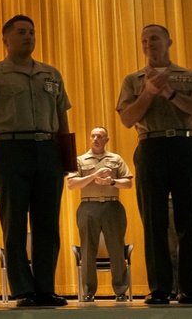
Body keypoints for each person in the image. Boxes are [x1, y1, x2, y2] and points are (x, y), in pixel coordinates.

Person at [0, 14, 71, 307]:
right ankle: (23, 289)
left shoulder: (51, 74)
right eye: (22, 33)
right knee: (14, 223)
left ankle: (45, 288)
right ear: (6, 40)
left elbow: (62, 117)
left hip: (48, 150)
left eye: (32, 32)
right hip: (10, 150)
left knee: (48, 223)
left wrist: (66, 157)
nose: (28, 37)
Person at [117, 24, 192, 305]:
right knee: (154, 220)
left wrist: (172, 94)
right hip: (150, 146)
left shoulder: (191, 76)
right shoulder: (132, 80)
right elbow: (126, 119)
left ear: (169, 42)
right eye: (144, 40)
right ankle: (159, 288)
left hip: (185, 145)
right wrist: (148, 92)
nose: (149, 44)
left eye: (155, 38)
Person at [66, 127, 133, 301]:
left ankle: (120, 291)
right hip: (88, 207)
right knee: (88, 249)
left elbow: (128, 183)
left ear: (106, 140)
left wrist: (110, 181)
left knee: (117, 249)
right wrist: (94, 176)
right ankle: (88, 292)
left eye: (100, 136)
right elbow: (72, 184)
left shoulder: (115, 159)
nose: (96, 139)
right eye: (93, 136)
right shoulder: (80, 160)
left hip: (112, 206)